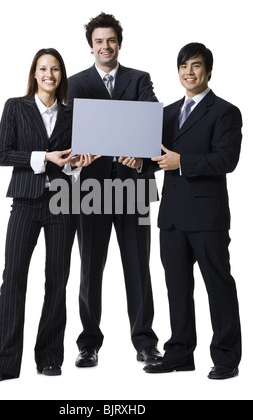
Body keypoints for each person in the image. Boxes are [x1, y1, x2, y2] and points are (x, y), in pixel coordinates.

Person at [0, 48, 97, 382]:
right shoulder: (15, 107)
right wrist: (45, 157)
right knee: (13, 279)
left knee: (57, 280)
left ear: (61, 76)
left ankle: (49, 357)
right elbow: (4, 154)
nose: (49, 75)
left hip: (63, 201)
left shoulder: (73, 114)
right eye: (43, 69)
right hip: (26, 202)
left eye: (56, 69)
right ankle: (2, 363)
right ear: (34, 73)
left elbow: (72, 162)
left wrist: (77, 164)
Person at [67, 12, 162, 368]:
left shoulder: (140, 80)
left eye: (110, 40)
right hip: (91, 186)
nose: (105, 46)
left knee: (138, 265)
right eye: (98, 41)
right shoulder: (75, 84)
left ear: (118, 43)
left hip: (133, 184)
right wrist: (77, 156)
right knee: (90, 266)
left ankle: (144, 341)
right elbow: (71, 130)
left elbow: (150, 118)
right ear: (91, 46)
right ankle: (88, 342)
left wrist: (138, 154)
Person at [143, 42, 242, 379]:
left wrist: (181, 162)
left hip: (207, 218)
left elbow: (226, 160)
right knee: (177, 286)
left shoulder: (225, 111)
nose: (189, 72)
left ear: (208, 71)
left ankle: (226, 358)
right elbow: (152, 158)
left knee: (218, 285)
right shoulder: (167, 113)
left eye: (196, 66)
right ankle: (180, 353)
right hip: (172, 217)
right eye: (184, 66)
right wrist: (135, 161)